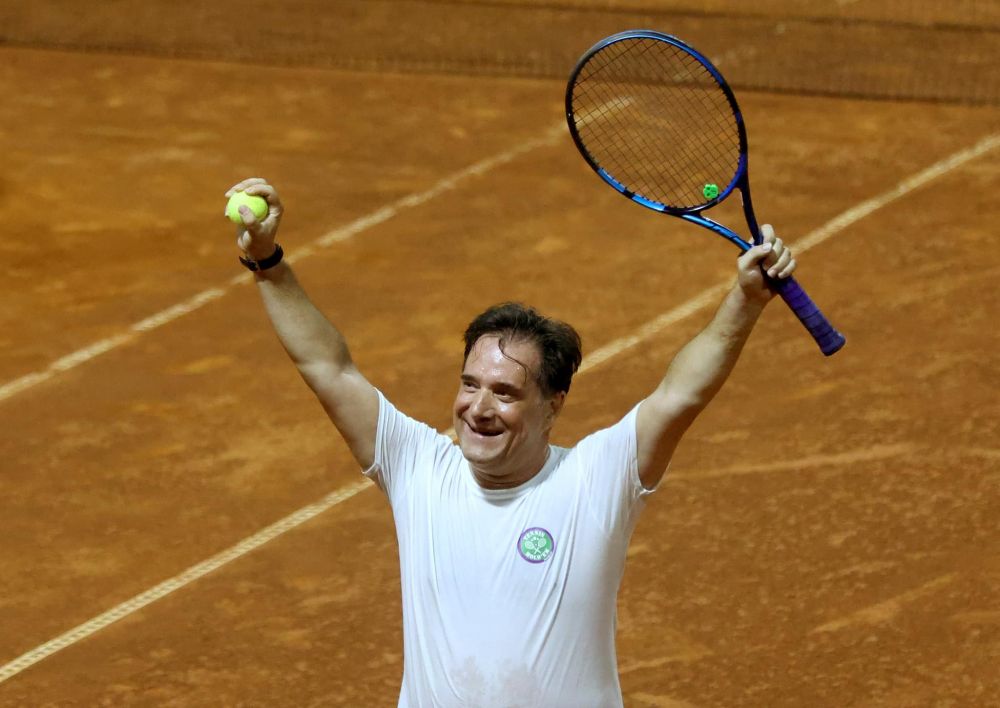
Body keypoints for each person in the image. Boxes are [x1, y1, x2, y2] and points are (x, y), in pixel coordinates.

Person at [226, 177, 798, 707]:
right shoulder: (419, 468)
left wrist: (745, 300)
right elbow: (328, 367)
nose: (478, 409)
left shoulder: (594, 480)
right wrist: (267, 262)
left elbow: (679, 395)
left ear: (552, 405)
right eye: (470, 384)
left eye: (504, 393)